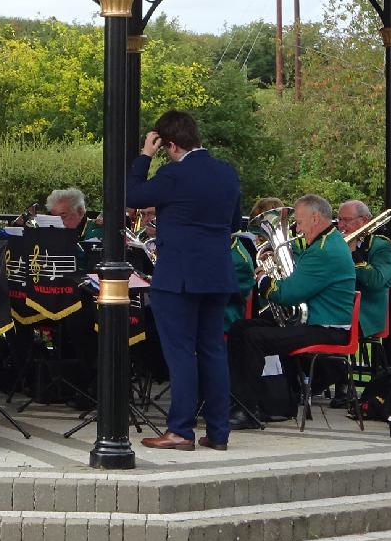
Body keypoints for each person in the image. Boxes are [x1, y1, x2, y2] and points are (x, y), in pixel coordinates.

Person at [127, 109, 241, 452]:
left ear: (171, 145)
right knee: (213, 352)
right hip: (217, 274)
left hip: (178, 277)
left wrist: (145, 156)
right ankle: (218, 433)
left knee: (181, 355)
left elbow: (132, 196)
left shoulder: (173, 174)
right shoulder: (226, 173)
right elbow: (234, 222)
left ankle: (180, 430)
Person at [227, 194, 357, 427]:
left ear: (315, 219)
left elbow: (288, 294)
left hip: (326, 328)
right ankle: (238, 401)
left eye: (299, 221)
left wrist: (264, 279)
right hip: (314, 322)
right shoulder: (324, 243)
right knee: (240, 328)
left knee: (252, 337)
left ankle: (248, 408)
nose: (296, 228)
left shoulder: (325, 250)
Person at [337, 199, 391, 340]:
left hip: (363, 315)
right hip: (336, 307)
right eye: (339, 219)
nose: (341, 225)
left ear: (364, 221)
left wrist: (352, 252)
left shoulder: (382, 246)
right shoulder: (336, 243)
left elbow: (376, 280)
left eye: (347, 220)